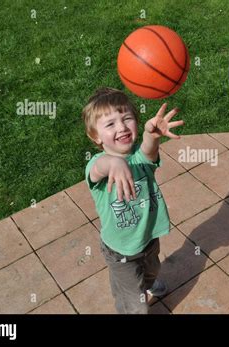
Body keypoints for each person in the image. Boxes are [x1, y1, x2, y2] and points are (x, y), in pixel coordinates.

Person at [82, 87, 183, 313]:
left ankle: (147, 282)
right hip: (120, 251)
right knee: (134, 303)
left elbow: (148, 150)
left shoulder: (139, 158)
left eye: (127, 118)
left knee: (152, 270)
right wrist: (114, 163)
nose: (122, 127)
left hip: (148, 238)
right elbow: (98, 169)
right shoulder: (96, 164)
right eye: (110, 124)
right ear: (95, 136)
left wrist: (152, 134)